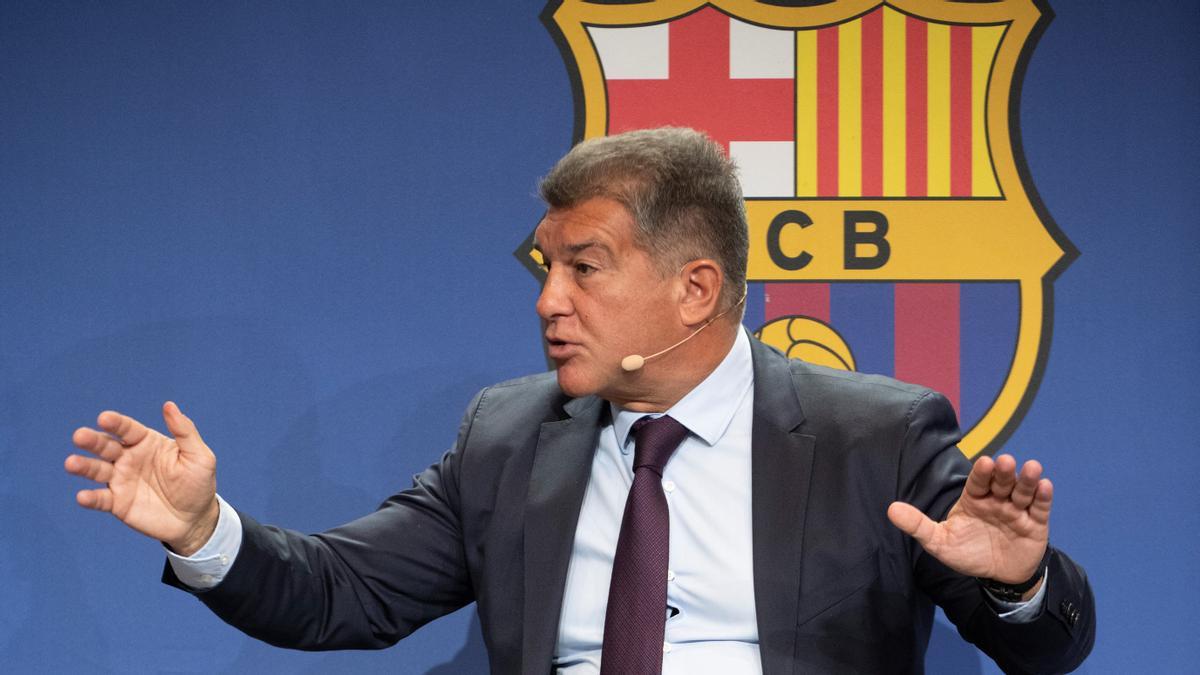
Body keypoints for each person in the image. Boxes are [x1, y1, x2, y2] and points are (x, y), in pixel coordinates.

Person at [65, 127, 1094, 674]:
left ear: (695, 289)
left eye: (587, 268)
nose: (550, 302)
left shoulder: (877, 434)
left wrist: (1019, 585)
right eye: (545, 268)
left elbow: (1048, 650)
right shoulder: (508, 438)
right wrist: (204, 531)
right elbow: (346, 595)